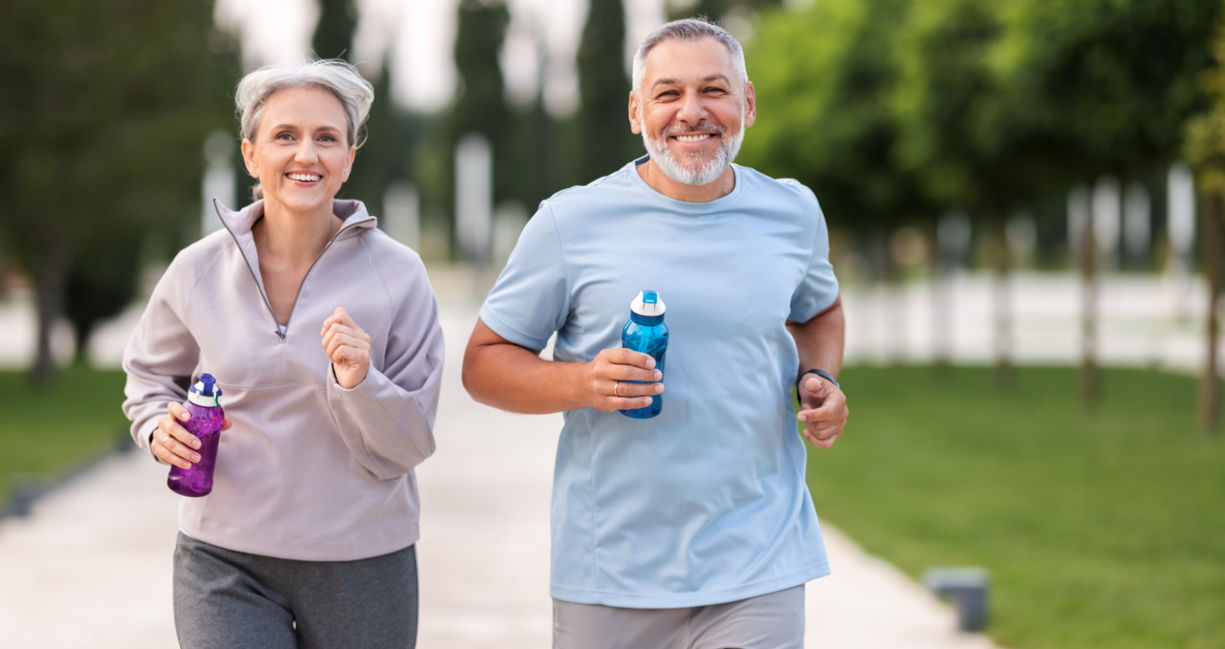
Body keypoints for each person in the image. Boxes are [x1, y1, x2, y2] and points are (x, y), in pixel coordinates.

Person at [462, 17, 848, 649]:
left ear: (747, 103)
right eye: (668, 94)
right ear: (636, 111)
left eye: (713, 91)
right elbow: (483, 365)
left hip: (760, 558)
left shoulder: (793, 211)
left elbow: (819, 310)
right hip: (612, 571)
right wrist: (583, 382)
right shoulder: (570, 221)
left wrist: (820, 376)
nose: (691, 113)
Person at [122, 60, 443, 648]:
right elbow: (148, 380)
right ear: (250, 155)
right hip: (223, 560)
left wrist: (361, 382)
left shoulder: (399, 275)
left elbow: (412, 442)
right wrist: (154, 428)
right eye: (285, 136)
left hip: (364, 557)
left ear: (348, 159)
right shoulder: (196, 271)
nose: (306, 155)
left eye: (326, 138)